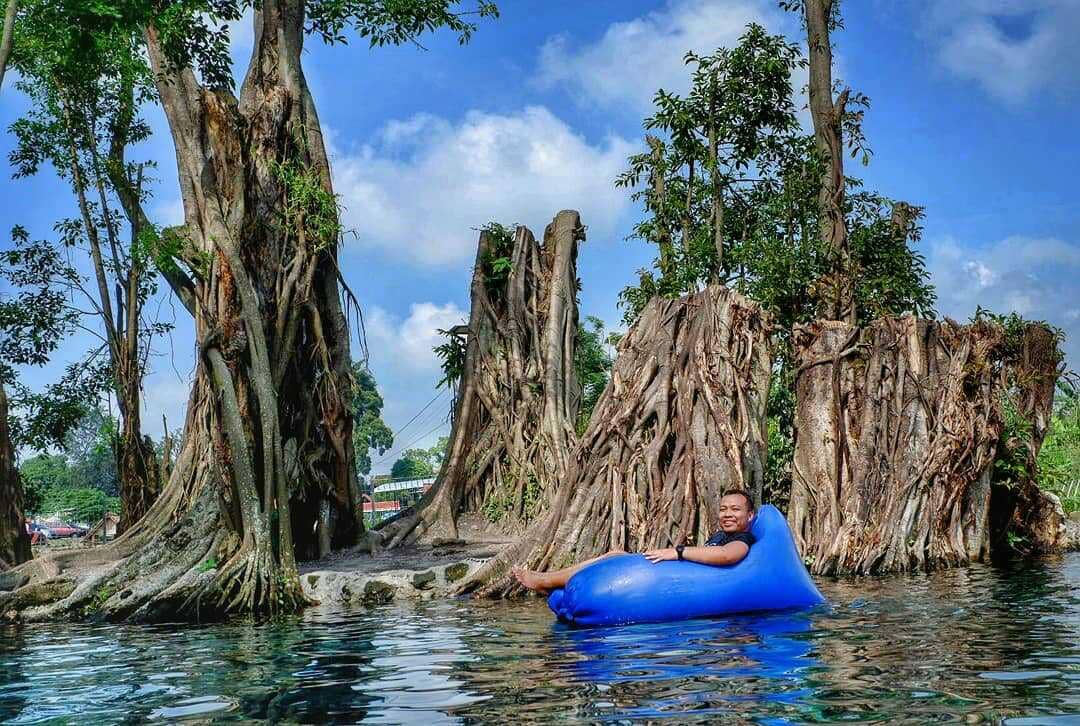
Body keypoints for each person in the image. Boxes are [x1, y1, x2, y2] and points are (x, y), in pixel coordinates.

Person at [512, 489, 757, 594]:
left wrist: (678, 552)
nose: (727, 514)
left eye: (735, 510)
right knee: (614, 554)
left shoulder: (742, 538)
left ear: (750, 516)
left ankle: (547, 581)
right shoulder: (720, 535)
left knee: (615, 557)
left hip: (675, 575)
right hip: (676, 571)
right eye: (723, 509)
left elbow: (728, 555)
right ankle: (552, 581)